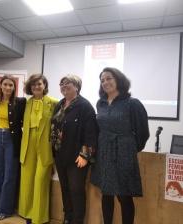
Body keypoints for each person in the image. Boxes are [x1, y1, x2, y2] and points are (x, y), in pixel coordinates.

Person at [91, 67, 149, 224]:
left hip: (123, 153)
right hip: (104, 153)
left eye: (109, 78)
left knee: (124, 196)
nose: (105, 82)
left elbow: (143, 133)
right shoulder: (100, 103)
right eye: (102, 80)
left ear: (119, 80)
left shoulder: (132, 103)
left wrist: (128, 148)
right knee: (106, 194)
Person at [51, 75, 98, 224]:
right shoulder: (59, 104)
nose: (64, 86)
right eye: (61, 84)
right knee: (65, 188)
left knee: (76, 190)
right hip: (60, 155)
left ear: (77, 86)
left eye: (67, 83)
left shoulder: (85, 106)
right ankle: (68, 217)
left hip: (77, 158)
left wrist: (85, 155)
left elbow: (91, 133)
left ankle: (77, 221)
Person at [18, 74, 58, 224]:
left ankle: (39, 217)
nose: (36, 87)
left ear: (45, 86)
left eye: (39, 84)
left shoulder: (53, 103)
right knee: (27, 181)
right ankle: (28, 214)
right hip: (27, 145)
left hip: (45, 146)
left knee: (40, 181)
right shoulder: (26, 103)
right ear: (30, 87)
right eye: (33, 84)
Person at [0, 75, 26, 220]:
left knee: (9, 175)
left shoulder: (20, 102)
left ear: (14, 87)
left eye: (11, 85)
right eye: (5, 84)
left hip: (12, 140)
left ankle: (5, 209)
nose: (8, 87)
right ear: (1, 86)